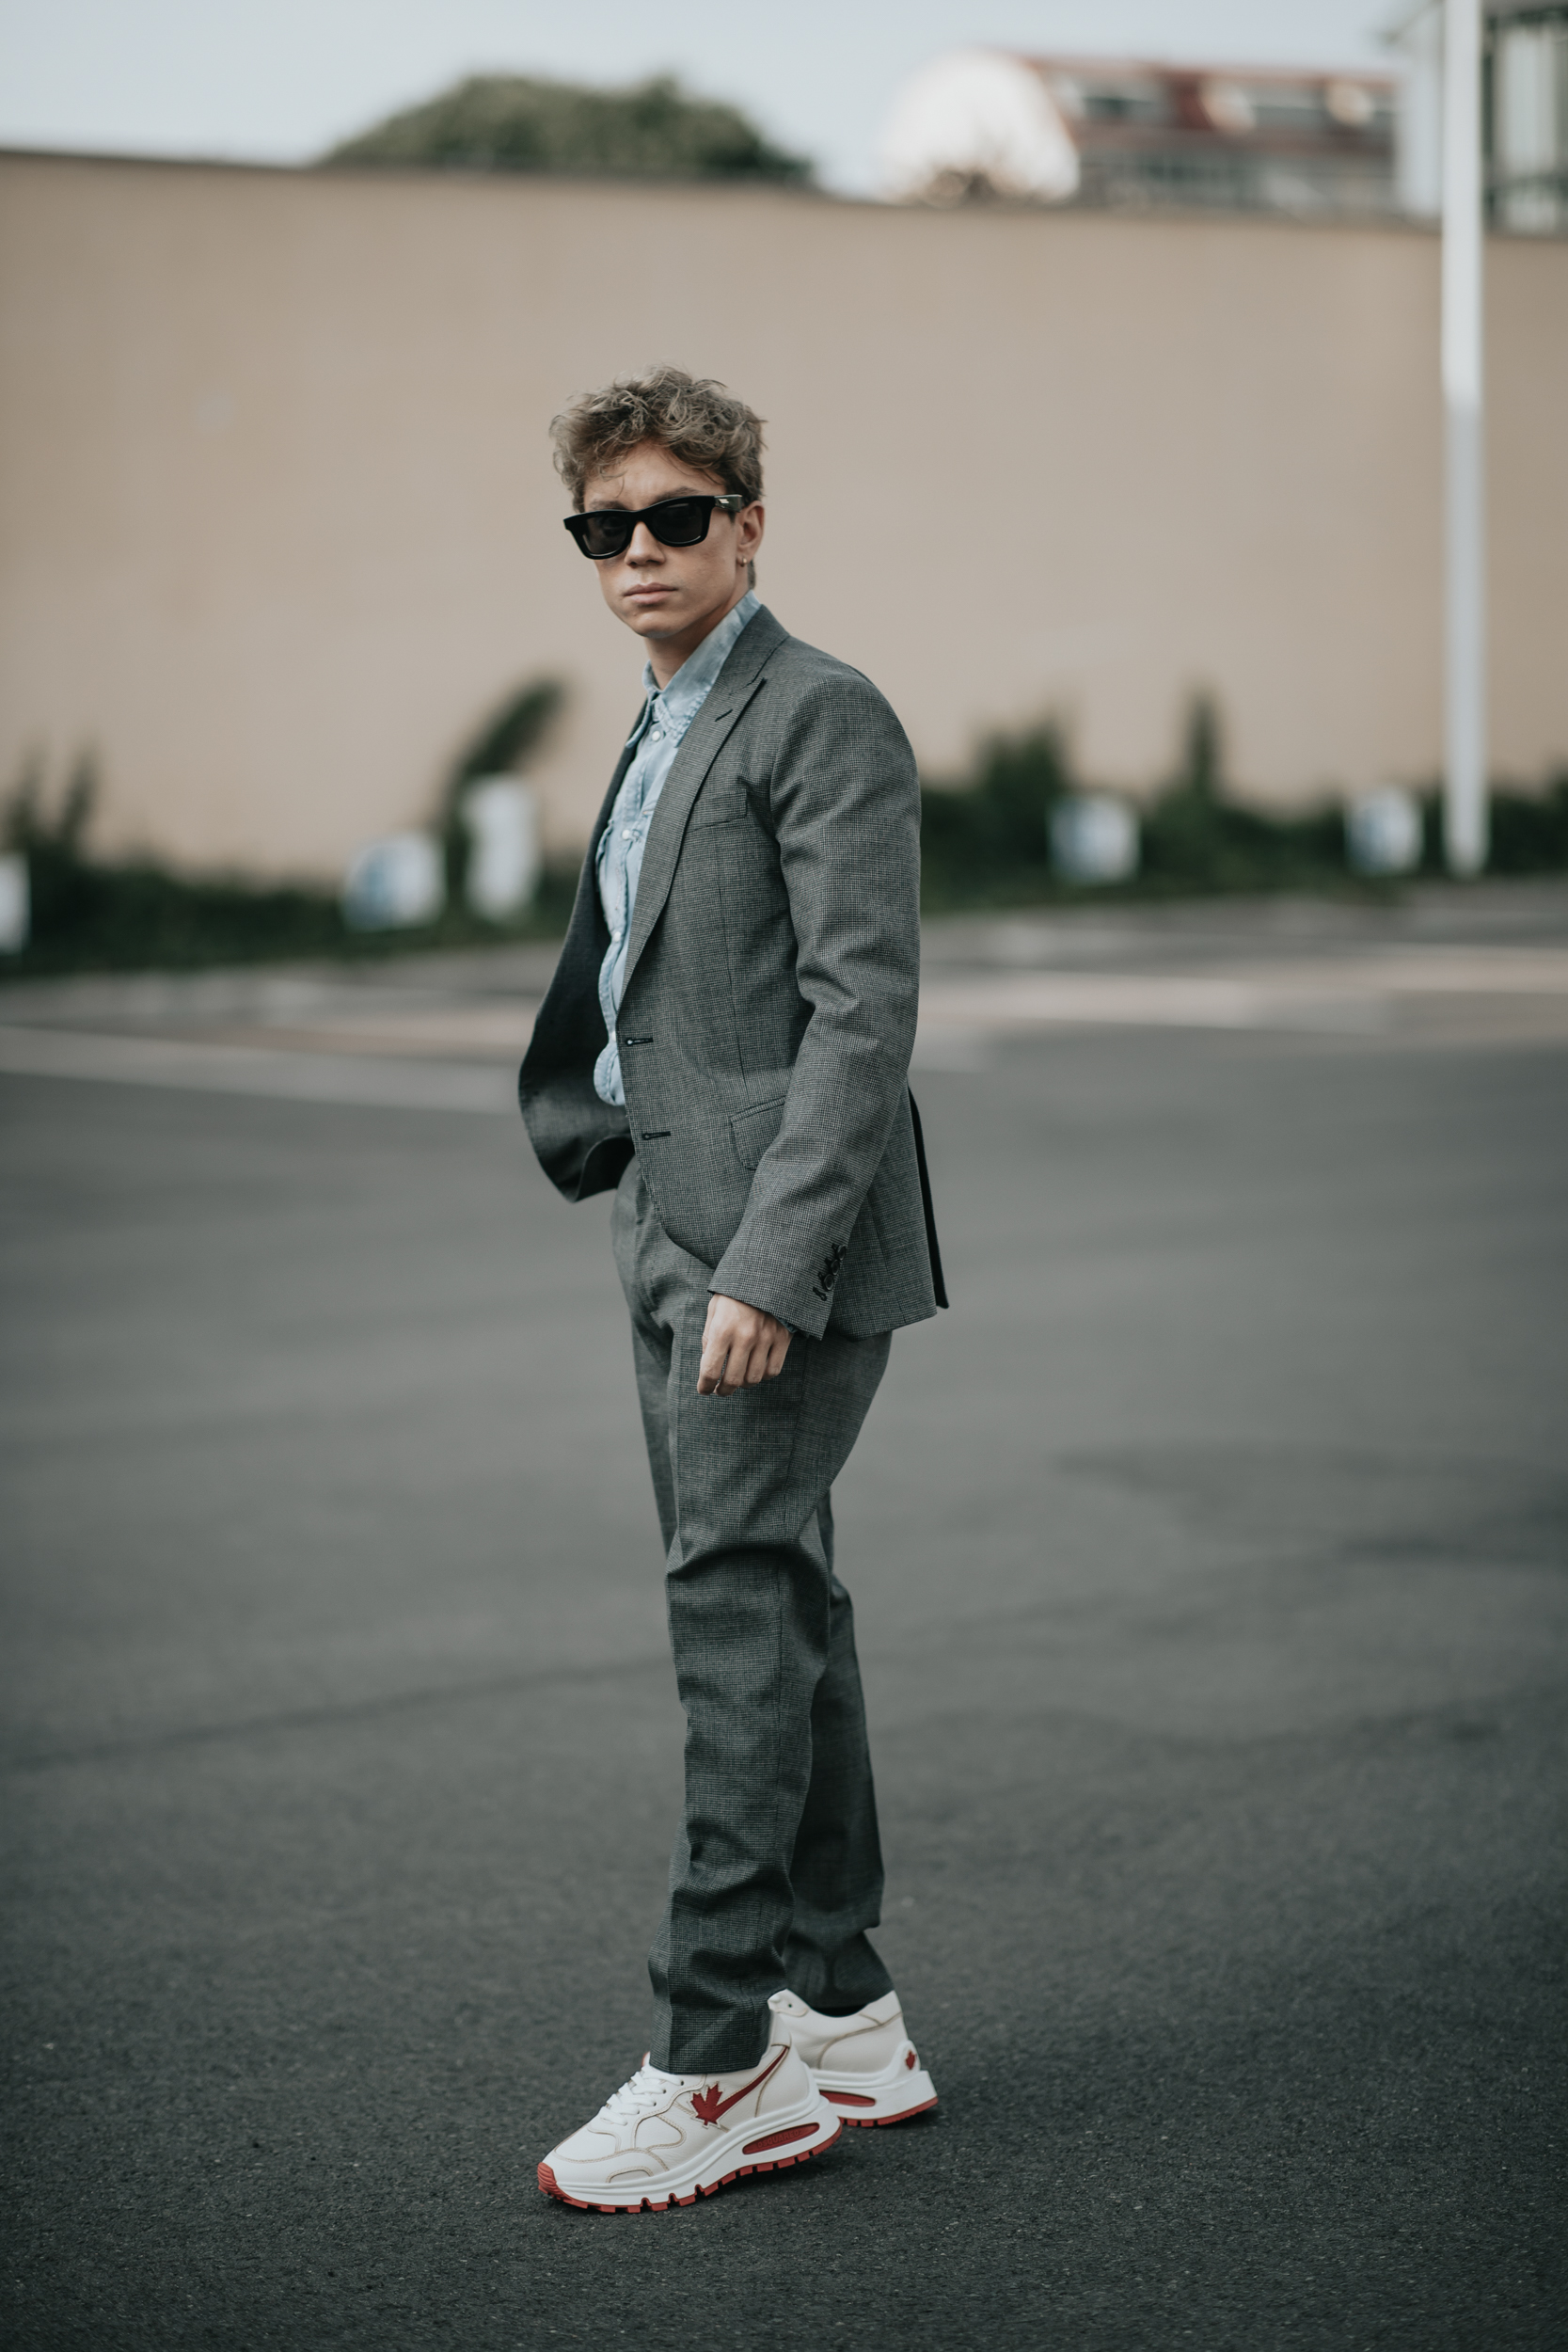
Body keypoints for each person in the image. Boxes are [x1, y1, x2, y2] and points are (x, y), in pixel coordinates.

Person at [519, 366, 945, 2215]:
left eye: (675, 516)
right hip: (666, 1218)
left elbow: (864, 1016)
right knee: (781, 1588)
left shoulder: (819, 710)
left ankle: (716, 2056)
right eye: (603, 525)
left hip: (771, 1248)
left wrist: (768, 1265)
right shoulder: (664, 714)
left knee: (732, 1606)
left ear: (749, 524)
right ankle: (842, 2008)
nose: (638, 551)